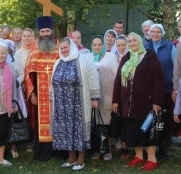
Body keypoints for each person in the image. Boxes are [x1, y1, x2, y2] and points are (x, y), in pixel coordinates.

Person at [112, 33, 165, 171]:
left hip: (146, 103)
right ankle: (139, 156)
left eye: (135, 40)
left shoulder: (150, 57)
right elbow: (118, 81)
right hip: (129, 104)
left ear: (140, 41)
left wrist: (157, 100)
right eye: (129, 41)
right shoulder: (126, 58)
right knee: (133, 130)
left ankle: (152, 159)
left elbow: (158, 80)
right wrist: (116, 100)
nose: (132, 43)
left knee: (147, 130)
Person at [51, 38, 100, 171]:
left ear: (71, 47)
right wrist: (51, 97)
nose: (63, 50)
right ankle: (71, 157)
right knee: (67, 130)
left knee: (79, 129)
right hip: (62, 104)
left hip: (79, 103)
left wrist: (95, 98)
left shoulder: (83, 60)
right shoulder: (58, 62)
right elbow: (53, 82)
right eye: (61, 48)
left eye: (66, 47)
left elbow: (93, 78)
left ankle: (81, 158)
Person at [25, 16, 59, 161]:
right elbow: (28, 72)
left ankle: (58, 152)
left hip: (57, 92)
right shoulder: (34, 49)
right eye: (43, 31)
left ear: (52, 31)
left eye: (47, 31)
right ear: (40, 32)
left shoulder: (60, 48)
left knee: (57, 120)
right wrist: (32, 93)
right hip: (41, 93)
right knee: (42, 122)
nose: (45, 34)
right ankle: (42, 153)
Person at [147, 24, 176, 159]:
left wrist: (175, 87)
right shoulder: (146, 47)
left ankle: (165, 148)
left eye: (158, 32)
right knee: (151, 119)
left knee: (166, 119)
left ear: (162, 33)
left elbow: (176, 67)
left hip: (167, 88)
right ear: (149, 33)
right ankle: (151, 146)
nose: (155, 34)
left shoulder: (170, 46)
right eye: (153, 31)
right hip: (149, 90)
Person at [92, 32, 119, 161]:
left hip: (108, 95)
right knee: (95, 124)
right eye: (94, 45)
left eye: (99, 44)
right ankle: (98, 150)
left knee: (106, 124)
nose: (97, 47)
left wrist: (116, 97)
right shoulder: (88, 57)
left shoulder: (111, 57)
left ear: (103, 45)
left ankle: (108, 150)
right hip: (93, 97)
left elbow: (117, 76)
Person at [114, 35, 129, 159]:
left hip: (130, 93)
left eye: (124, 45)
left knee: (128, 120)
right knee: (121, 119)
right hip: (118, 92)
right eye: (119, 45)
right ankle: (121, 144)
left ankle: (127, 145)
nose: (121, 47)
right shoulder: (112, 58)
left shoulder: (132, 57)